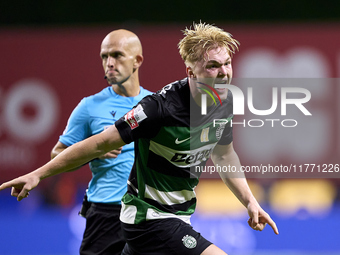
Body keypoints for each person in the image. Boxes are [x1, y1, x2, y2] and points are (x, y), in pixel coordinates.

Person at [0, 22, 278, 255]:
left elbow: (224, 155)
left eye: (227, 64)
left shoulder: (225, 101)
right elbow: (98, 143)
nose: (224, 73)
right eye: (213, 66)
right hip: (148, 218)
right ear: (191, 72)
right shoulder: (157, 109)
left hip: (179, 214)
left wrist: (250, 202)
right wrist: (38, 174)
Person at [51, 29, 152, 255]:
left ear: (137, 60)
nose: (109, 63)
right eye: (104, 56)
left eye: (117, 55)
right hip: (106, 215)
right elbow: (56, 155)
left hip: (148, 213)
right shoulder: (89, 106)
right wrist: (93, 151)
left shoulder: (156, 104)